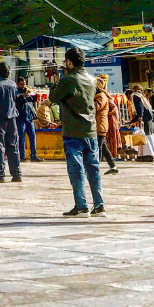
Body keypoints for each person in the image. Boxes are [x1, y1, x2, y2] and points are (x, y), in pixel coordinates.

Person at [49, 47, 104, 217]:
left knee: (77, 169)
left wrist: (56, 82)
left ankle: (81, 205)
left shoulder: (69, 80)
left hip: (73, 130)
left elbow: (53, 98)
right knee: (93, 169)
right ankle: (99, 205)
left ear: (70, 62)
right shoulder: (92, 80)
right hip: (91, 130)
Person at [93, 75, 119, 174]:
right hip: (99, 124)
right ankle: (113, 166)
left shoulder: (101, 96)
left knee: (98, 147)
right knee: (103, 147)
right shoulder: (98, 96)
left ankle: (95, 167)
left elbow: (95, 107)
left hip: (100, 125)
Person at [127, 85, 154, 161]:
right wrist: (132, 121)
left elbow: (140, 108)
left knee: (144, 136)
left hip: (145, 118)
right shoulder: (142, 96)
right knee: (147, 136)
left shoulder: (135, 96)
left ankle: (147, 155)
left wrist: (140, 118)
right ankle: (146, 154)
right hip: (149, 118)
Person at [15, 77, 40, 162]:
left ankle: (34, 155)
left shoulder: (27, 91)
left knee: (32, 137)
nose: (23, 86)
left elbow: (33, 100)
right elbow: (16, 102)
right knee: (21, 138)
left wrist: (33, 94)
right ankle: (22, 156)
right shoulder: (16, 92)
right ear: (18, 84)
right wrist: (23, 97)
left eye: (24, 84)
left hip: (29, 118)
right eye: (21, 84)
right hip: (21, 118)